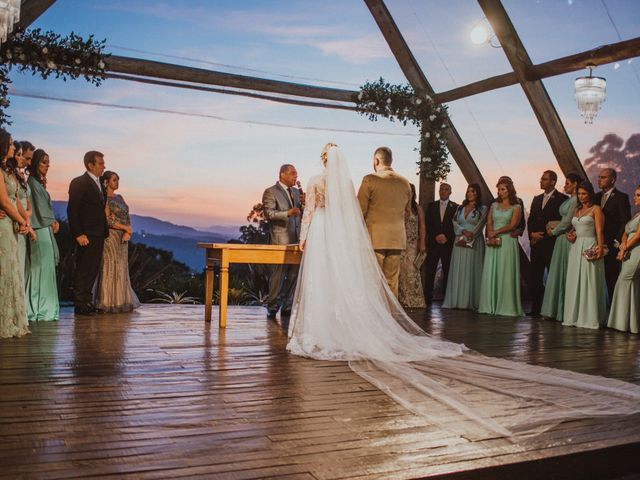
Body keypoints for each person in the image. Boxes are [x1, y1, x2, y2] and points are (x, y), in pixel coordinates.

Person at [287, 144, 640, 439]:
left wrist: (339, 235)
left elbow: (356, 211)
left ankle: (358, 323)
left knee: (365, 282)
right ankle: (385, 323)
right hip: (394, 238)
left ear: (375, 161)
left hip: (365, 236)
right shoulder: (402, 182)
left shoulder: (363, 180)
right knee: (388, 286)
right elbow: (405, 210)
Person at [357, 146, 411, 298]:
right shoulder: (404, 182)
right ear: (390, 161)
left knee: (372, 281)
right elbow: (408, 212)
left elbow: (359, 210)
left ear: (376, 161)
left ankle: (373, 318)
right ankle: (390, 317)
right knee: (391, 282)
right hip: (397, 239)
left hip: (375, 239)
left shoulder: (370, 179)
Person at [67, 151, 109, 316]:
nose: (103, 166)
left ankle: (87, 301)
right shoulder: (79, 182)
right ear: (90, 165)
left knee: (92, 268)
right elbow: (73, 210)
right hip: (86, 233)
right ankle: (80, 303)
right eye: (100, 163)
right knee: (83, 268)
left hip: (99, 233)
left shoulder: (99, 184)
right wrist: (78, 233)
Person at [93, 171, 140, 313]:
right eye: (114, 179)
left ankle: (121, 300)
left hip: (123, 238)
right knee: (109, 266)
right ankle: (107, 301)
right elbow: (107, 220)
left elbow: (126, 215)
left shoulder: (120, 197)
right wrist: (125, 228)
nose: (117, 182)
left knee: (121, 267)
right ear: (106, 181)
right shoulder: (104, 198)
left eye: (118, 179)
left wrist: (127, 231)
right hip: (111, 237)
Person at [563, 182, 606, 329]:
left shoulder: (596, 209)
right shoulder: (577, 210)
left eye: (584, 194)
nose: (581, 197)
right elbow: (576, 229)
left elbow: (599, 231)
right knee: (575, 279)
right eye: (579, 194)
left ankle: (589, 317)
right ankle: (574, 315)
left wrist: (600, 248)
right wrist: (571, 236)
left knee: (589, 279)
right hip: (576, 247)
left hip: (590, 245)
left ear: (590, 194)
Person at [478, 178, 524, 316]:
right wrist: (490, 232)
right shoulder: (494, 205)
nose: (500, 192)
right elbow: (489, 220)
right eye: (498, 189)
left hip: (507, 241)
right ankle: (490, 304)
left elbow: (513, 225)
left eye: (503, 189)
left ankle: (506, 306)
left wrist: (496, 232)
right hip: (493, 241)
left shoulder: (516, 206)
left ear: (509, 190)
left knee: (505, 271)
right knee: (492, 270)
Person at [262, 164, 303, 319]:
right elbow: (269, 214)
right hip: (279, 240)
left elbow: (302, 214)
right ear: (282, 175)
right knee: (277, 275)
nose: (295, 177)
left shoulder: (296, 192)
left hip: (296, 239)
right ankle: (272, 306)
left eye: (296, 174)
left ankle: (287, 305)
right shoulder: (270, 191)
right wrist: (288, 213)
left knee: (294, 274)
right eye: (293, 173)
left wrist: (305, 204)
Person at [540, 173, 581, 322]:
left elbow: (567, 223)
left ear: (575, 184)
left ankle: (561, 310)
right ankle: (556, 309)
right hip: (560, 239)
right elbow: (563, 220)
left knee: (562, 273)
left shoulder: (576, 200)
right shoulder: (571, 199)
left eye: (568, 183)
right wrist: (552, 223)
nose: (565, 186)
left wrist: (553, 231)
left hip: (564, 239)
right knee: (557, 273)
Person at [0, 128, 30, 338]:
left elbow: (16, 200)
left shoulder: (8, 170)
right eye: (10, 143)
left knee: (12, 269)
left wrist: (25, 221)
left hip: (12, 224)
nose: (13, 147)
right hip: (3, 225)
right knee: (5, 270)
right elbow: (3, 202)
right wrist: (20, 220)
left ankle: (11, 318)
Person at [526, 170, 568, 316]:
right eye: (541, 178)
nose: (541, 181)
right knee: (535, 276)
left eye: (544, 179)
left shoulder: (563, 199)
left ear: (553, 182)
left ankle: (554, 309)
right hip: (536, 244)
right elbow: (531, 219)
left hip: (551, 244)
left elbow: (561, 222)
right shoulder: (536, 199)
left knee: (553, 276)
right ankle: (536, 308)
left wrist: (542, 235)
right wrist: (532, 234)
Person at [25, 149, 60, 321]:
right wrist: (51, 221)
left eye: (48, 162)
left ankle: (45, 307)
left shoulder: (36, 183)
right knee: (40, 268)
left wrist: (52, 221)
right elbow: (38, 207)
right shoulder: (32, 182)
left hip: (43, 228)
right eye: (44, 162)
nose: (47, 165)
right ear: (36, 162)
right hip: (39, 229)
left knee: (45, 268)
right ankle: (39, 308)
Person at [442, 183, 488, 310]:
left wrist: (469, 237)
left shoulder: (483, 209)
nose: (469, 193)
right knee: (458, 269)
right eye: (468, 191)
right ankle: (456, 300)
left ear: (477, 193)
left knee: (471, 269)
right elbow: (454, 222)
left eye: (472, 191)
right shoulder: (460, 208)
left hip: (474, 242)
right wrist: (462, 231)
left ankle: (470, 301)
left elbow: (480, 225)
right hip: (459, 241)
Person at [607, 185, 640, 333]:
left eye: (639, 195)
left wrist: (624, 248)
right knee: (629, 285)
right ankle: (629, 323)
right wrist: (623, 245)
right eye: (635, 194)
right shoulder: (636, 215)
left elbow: (638, 235)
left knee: (625, 282)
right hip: (628, 251)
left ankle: (624, 322)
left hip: (636, 252)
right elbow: (626, 231)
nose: (635, 197)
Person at [595, 168, 631, 301]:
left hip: (611, 245)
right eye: (599, 177)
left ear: (613, 179)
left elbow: (624, 221)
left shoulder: (621, 197)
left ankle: (614, 312)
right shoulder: (595, 197)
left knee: (612, 278)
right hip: (595, 244)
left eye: (603, 177)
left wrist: (616, 241)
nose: (599, 180)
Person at [422, 183, 458, 304]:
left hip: (448, 244)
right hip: (434, 243)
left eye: (446, 189)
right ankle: (427, 298)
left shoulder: (456, 207)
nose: (443, 191)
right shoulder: (431, 206)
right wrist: (436, 235)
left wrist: (446, 236)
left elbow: (456, 225)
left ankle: (446, 299)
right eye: (441, 189)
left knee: (448, 270)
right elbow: (428, 224)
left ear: (450, 192)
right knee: (430, 271)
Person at [398, 184, 426, 308]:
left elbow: (422, 226)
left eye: (411, 191)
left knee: (411, 270)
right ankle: (401, 300)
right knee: (399, 272)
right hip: (400, 242)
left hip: (412, 243)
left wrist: (422, 242)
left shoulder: (417, 208)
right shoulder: (399, 206)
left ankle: (414, 300)